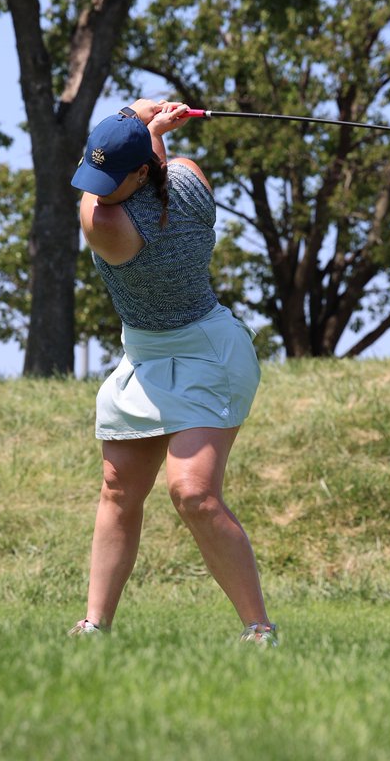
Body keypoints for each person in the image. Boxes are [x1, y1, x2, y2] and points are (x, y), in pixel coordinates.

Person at [67, 98, 277, 646]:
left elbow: (104, 194)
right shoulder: (188, 178)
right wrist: (154, 128)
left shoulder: (104, 222)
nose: (95, 183)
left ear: (138, 173)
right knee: (118, 488)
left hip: (206, 353)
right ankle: (95, 627)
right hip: (145, 354)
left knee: (194, 495)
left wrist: (148, 121)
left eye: (109, 175)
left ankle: (259, 630)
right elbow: (161, 168)